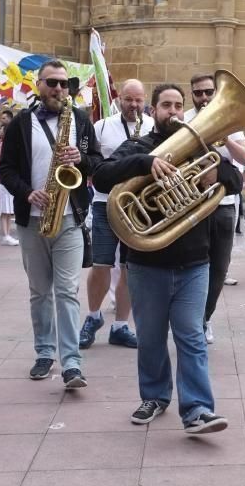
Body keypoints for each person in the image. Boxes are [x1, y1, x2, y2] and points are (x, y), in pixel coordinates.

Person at [92, 83, 238, 433]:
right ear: (153, 111)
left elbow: (234, 179)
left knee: (191, 335)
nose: (172, 112)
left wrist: (216, 173)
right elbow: (100, 176)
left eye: (177, 106)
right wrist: (145, 163)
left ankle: (198, 409)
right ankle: (155, 397)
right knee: (152, 337)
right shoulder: (137, 147)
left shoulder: (204, 148)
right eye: (165, 106)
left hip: (194, 261)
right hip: (146, 263)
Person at [0, 59, 102, 388]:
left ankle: (72, 362)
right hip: (32, 219)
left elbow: (96, 161)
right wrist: (27, 193)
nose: (59, 89)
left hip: (70, 217)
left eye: (64, 84)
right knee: (39, 291)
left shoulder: (81, 121)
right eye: (52, 83)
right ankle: (44, 352)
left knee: (67, 291)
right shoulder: (19, 124)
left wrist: (81, 160)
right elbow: (7, 170)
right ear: (38, 85)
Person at [78, 79, 153, 350]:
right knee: (101, 264)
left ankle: (121, 325)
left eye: (138, 100)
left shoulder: (153, 128)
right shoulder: (102, 126)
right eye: (128, 99)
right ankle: (93, 316)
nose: (133, 105)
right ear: (119, 99)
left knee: (129, 268)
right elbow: (92, 164)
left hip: (138, 206)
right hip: (104, 203)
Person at [185, 74, 245, 344]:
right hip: (189, 203)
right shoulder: (185, 119)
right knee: (190, 265)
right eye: (198, 93)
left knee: (219, 268)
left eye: (208, 92)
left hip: (222, 205)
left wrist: (224, 138)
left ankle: (204, 319)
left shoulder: (229, 121)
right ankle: (189, 319)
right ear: (192, 94)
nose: (203, 98)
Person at [0, 111, 19, 246]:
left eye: (4, 119)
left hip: (9, 181)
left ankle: (8, 234)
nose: (2, 132)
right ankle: (5, 234)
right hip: (2, 181)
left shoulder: (10, 145)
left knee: (9, 210)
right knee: (5, 210)